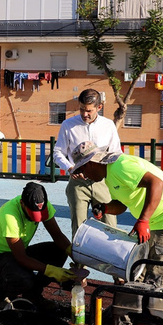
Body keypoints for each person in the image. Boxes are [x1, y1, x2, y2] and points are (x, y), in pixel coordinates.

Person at [69, 141, 163, 288]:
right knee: (137, 269)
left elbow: (156, 183)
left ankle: (151, 308)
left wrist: (143, 220)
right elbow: (122, 204)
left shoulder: (120, 166)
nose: (84, 175)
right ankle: (136, 306)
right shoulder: (109, 176)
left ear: (91, 163)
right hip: (153, 219)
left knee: (156, 275)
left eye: (83, 170)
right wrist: (106, 208)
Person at [0, 182, 75, 308]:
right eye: (32, 214)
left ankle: (33, 296)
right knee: (25, 279)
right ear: (22, 203)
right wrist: (51, 270)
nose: (36, 218)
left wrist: (76, 257)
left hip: (19, 251)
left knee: (59, 251)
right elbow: (21, 258)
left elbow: (58, 235)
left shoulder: (42, 204)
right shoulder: (10, 216)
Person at [53, 89, 122, 235]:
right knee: (78, 229)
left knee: (110, 226)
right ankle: (79, 258)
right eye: (82, 109)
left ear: (99, 107)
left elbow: (116, 153)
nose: (85, 114)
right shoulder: (68, 125)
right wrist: (70, 167)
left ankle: (109, 258)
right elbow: (57, 152)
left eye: (89, 110)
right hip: (78, 184)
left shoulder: (108, 125)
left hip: (102, 183)